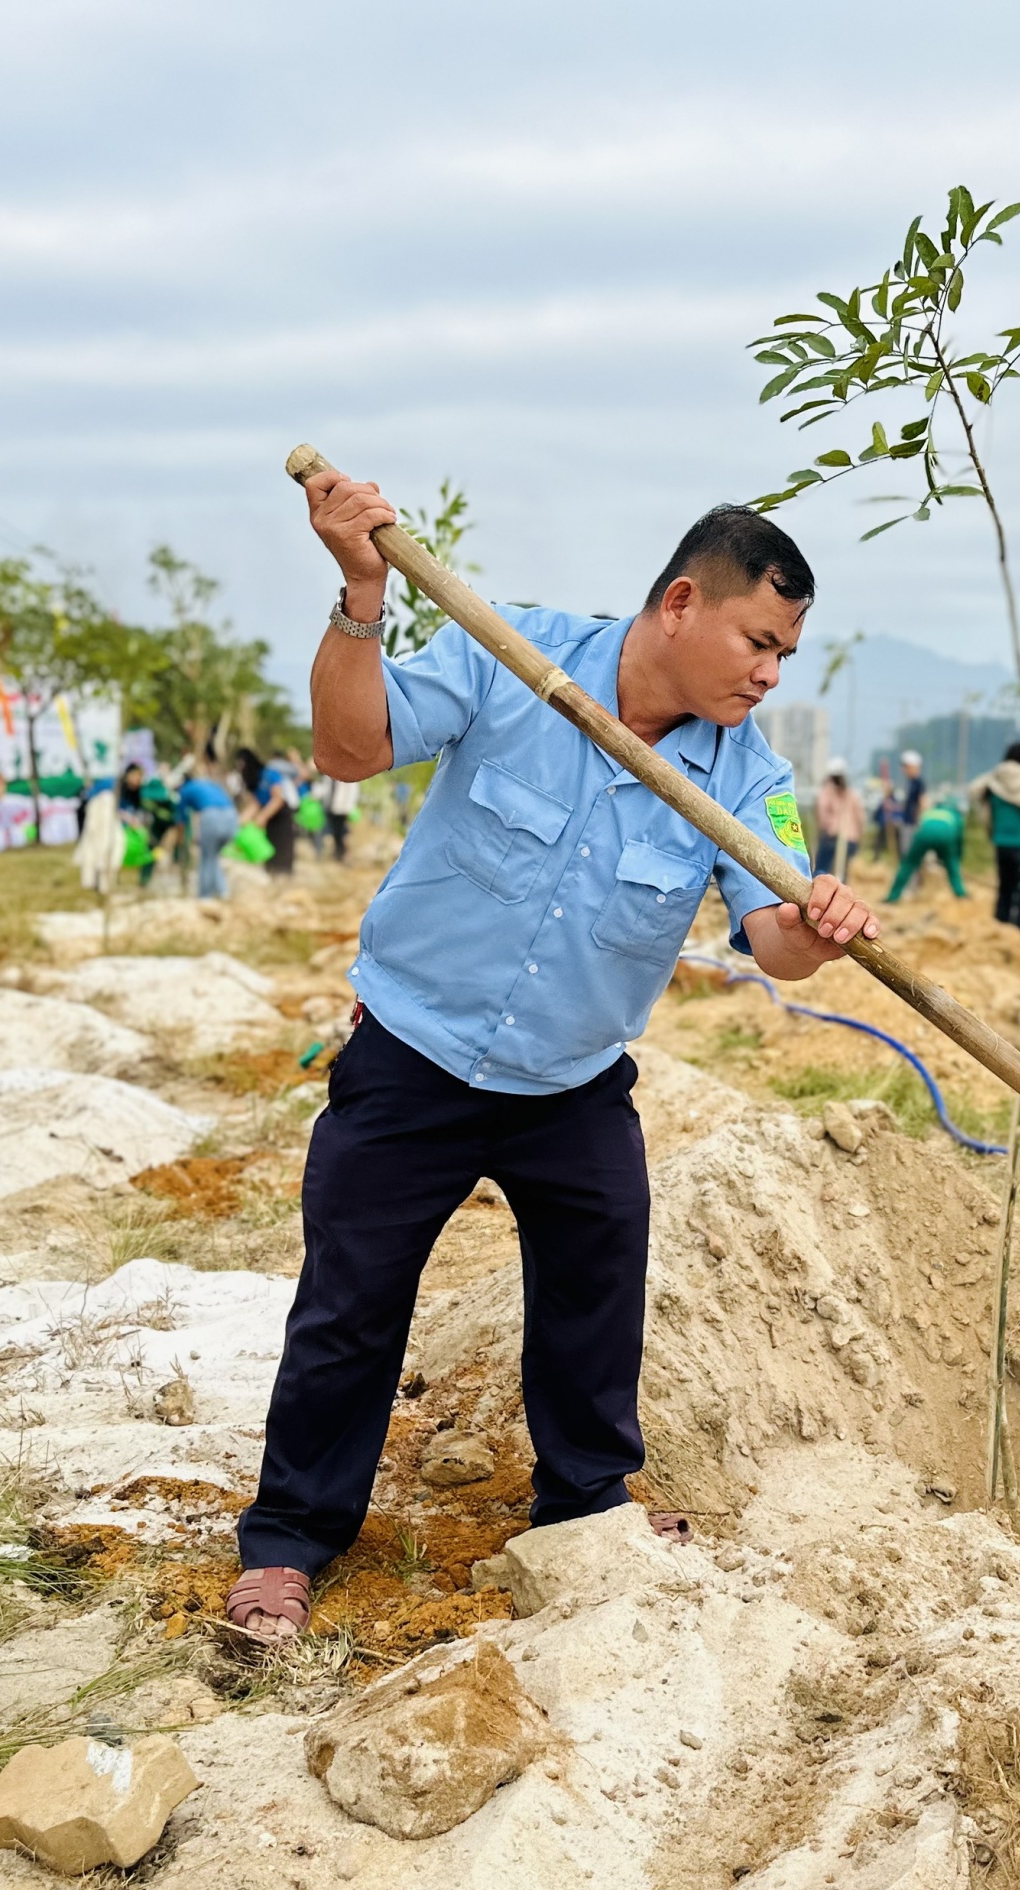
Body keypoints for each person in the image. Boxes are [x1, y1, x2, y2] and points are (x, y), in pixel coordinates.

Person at [223, 476, 878, 1648]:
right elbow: (347, 747)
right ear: (683, 603)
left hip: (569, 1083)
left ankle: (583, 1503)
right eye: (760, 641)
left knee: (596, 1285)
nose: (772, 672)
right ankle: (289, 1539)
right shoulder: (507, 654)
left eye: (786, 651)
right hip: (413, 1053)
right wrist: (363, 595)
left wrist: (818, 923)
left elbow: (771, 939)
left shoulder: (750, 777)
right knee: (350, 1308)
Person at [973, 741, 1020, 929]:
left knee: (1005, 889)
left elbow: (984, 806)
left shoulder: (995, 781)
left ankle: (1000, 929)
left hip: (1001, 843)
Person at [885, 794, 967, 902]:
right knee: (952, 866)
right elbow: (958, 841)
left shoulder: (931, 811)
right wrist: (955, 858)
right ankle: (961, 895)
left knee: (908, 863)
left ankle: (893, 897)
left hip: (923, 834)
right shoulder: (956, 816)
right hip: (946, 834)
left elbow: (921, 826)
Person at [176, 759, 238, 899]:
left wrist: (180, 841)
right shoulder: (209, 784)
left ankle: (205, 896)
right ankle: (223, 892)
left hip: (212, 818)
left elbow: (180, 821)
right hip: (232, 817)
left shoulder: (185, 790)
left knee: (206, 858)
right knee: (213, 857)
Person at [239, 747, 299, 877]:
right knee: (270, 850)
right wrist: (240, 821)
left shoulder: (269, 774)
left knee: (283, 849)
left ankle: (284, 879)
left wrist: (262, 816)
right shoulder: (254, 781)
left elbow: (278, 799)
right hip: (269, 817)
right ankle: (271, 876)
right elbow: (255, 804)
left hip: (281, 815)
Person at [813, 759, 864, 878]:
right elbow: (860, 818)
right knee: (843, 873)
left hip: (832, 836)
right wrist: (859, 835)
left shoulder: (827, 792)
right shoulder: (853, 794)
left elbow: (821, 813)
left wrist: (824, 827)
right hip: (849, 838)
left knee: (822, 872)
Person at [321, 772, 360, 862]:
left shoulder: (348, 776)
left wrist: (349, 808)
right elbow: (325, 790)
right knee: (335, 832)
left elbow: (353, 793)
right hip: (331, 808)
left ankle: (345, 854)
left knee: (343, 833)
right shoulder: (328, 777)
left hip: (343, 809)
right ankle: (338, 853)